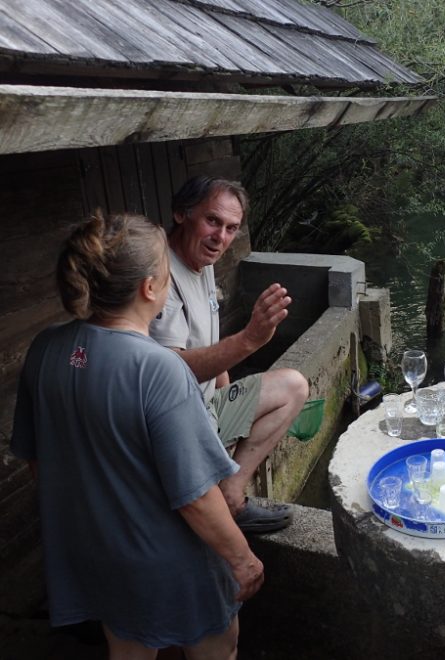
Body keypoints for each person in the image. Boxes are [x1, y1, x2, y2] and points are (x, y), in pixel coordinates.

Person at [11, 211, 263, 658]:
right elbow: (196, 496)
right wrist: (242, 558)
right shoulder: (157, 368)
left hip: (96, 552)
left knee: (126, 650)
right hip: (167, 562)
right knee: (218, 646)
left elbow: (38, 461)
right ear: (150, 288)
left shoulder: (45, 347)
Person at [150, 176, 309, 534]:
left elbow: (211, 341)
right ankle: (224, 506)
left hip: (206, 408)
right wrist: (250, 339)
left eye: (231, 228)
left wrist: (229, 405)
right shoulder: (162, 275)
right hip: (178, 422)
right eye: (212, 221)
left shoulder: (203, 263)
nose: (220, 238)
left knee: (293, 386)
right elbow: (168, 372)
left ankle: (231, 493)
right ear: (181, 214)